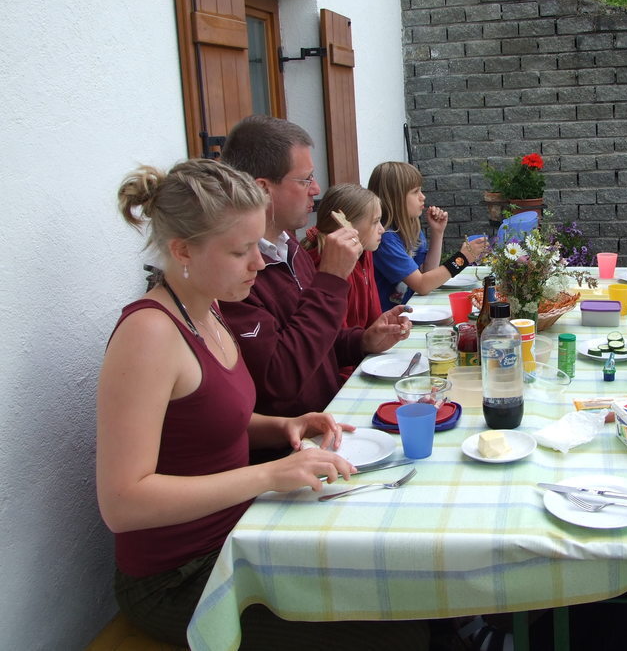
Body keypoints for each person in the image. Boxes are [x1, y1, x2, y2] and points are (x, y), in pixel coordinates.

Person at [100, 159, 427, 649]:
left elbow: (206, 421)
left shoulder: (207, 308)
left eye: (257, 245)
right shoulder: (148, 333)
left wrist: (282, 425)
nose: (258, 262)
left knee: (401, 573)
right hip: (181, 576)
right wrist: (267, 475)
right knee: (391, 629)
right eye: (241, 250)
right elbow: (123, 503)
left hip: (244, 532)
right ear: (182, 250)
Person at [219, 116, 413, 417]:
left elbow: (319, 342)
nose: (316, 188)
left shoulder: (289, 248)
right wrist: (332, 279)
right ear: (263, 189)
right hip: (290, 448)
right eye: (305, 179)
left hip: (330, 418)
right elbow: (278, 380)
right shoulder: (235, 274)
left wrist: (363, 340)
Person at [368, 161, 487, 311]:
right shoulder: (385, 239)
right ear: (395, 198)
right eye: (415, 191)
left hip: (409, 310)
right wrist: (462, 259)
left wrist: (437, 232)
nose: (422, 197)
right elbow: (422, 285)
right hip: (388, 319)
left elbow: (428, 273)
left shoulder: (410, 227)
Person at [301, 183, 385, 382]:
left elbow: (373, 319)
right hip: (342, 376)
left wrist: (383, 330)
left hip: (363, 358)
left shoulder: (364, 254)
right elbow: (336, 340)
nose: (382, 229)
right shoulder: (329, 266)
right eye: (375, 222)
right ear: (347, 227)